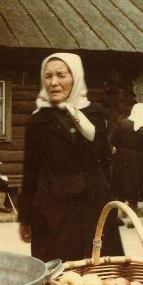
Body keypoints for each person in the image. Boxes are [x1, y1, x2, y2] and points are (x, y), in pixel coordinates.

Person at [18, 53, 123, 263]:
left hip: (94, 205)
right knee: (60, 277)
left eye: (61, 75)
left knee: (102, 272)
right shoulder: (38, 121)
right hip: (54, 211)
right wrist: (26, 217)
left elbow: (105, 164)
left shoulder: (94, 115)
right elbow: (30, 172)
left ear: (75, 78)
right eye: (48, 76)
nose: (54, 82)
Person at [110, 102, 143, 227]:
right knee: (135, 188)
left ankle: (117, 216)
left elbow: (114, 141)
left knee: (119, 186)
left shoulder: (123, 123)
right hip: (138, 161)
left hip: (122, 159)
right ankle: (131, 219)